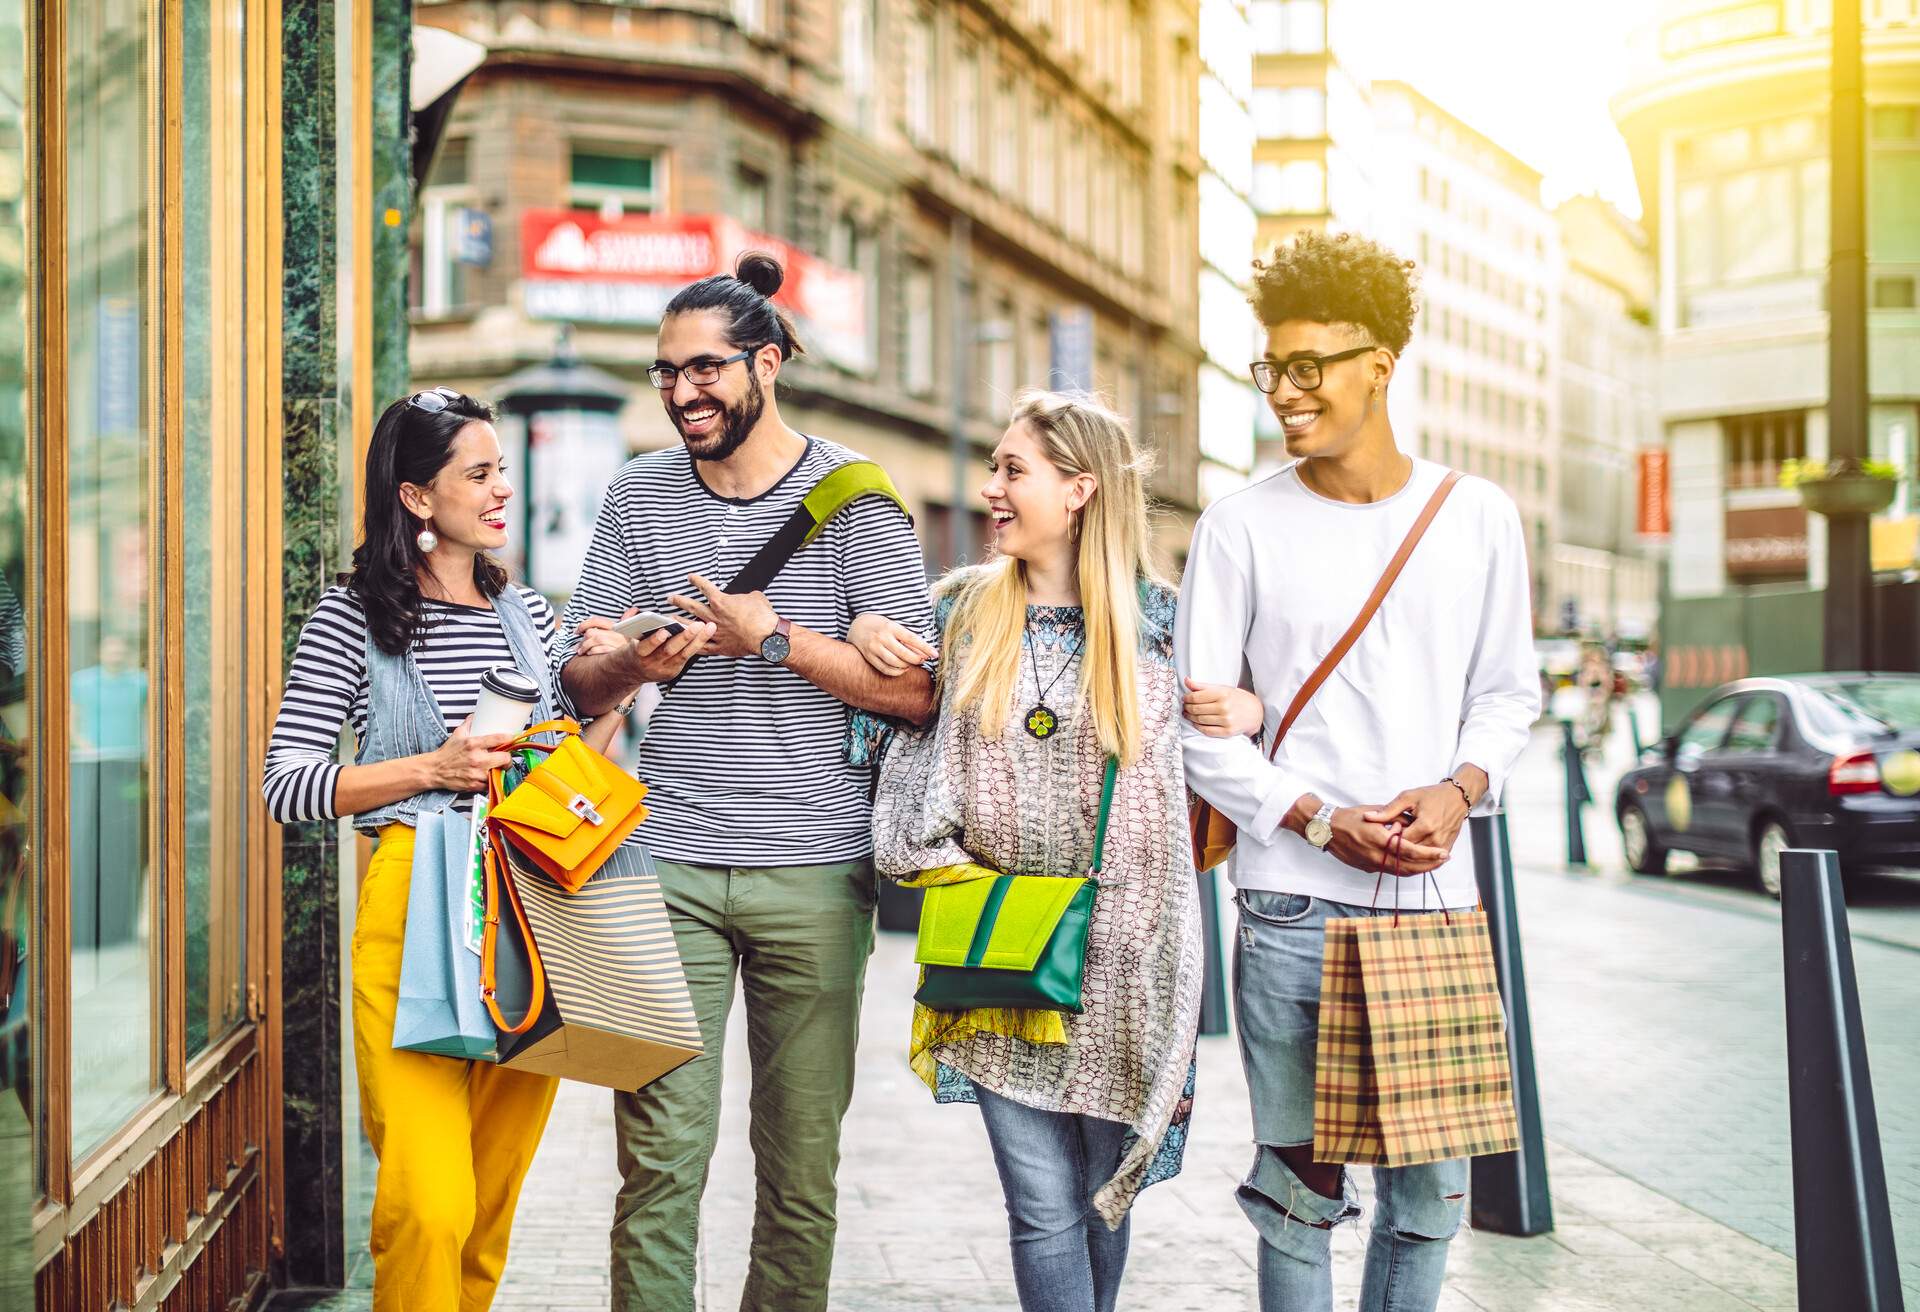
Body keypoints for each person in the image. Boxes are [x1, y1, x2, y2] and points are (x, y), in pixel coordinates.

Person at [550, 253, 938, 1312]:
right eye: (666, 374)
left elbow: (919, 696)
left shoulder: (855, 496)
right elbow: (579, 684)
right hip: (663, 861)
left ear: (767, 362)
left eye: (706, 370)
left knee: (800, 1164)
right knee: (660, 1159)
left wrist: (779, 642)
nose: (684, 394)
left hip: (817, 870)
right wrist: (632, 660)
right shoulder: (637, 493)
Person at [1176, 231, 1539, 1312]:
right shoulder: (1238, 526)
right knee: (1297, 1197)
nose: (1285, 393)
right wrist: (1320, 817)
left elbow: (1509, 693)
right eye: (1271, 369)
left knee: (1429, 1198)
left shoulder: (1476, 515)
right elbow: (1200, 733)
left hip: (1434, 903)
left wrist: (1459, 788)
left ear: (1379, 364)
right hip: (1291, 906)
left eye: (1309, 368)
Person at [261, 387, 633, 1309]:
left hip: (531, 910)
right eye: (479, 473)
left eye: (502, 468)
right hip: (413, 901)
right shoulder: (349, 616)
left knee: (488, 1205)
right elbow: (287, 784)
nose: (503, 488)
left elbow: (565, 775)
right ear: (417, 498)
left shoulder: (533, 617)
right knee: (428, 1201)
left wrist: (615, 688)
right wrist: (430, 766)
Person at [857, 390, 1203, 1312]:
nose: (992, 488)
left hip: (1130, 963)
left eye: (1014, 470)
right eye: (996, 467)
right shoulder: (963, 611)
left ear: (1080, 489)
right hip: (1003, 947)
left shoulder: (1167, 623)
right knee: (1041, 1204)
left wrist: (1249, 712)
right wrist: (864, 648)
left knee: (1100, 1203)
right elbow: (880, 747)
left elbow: (1228, 765)